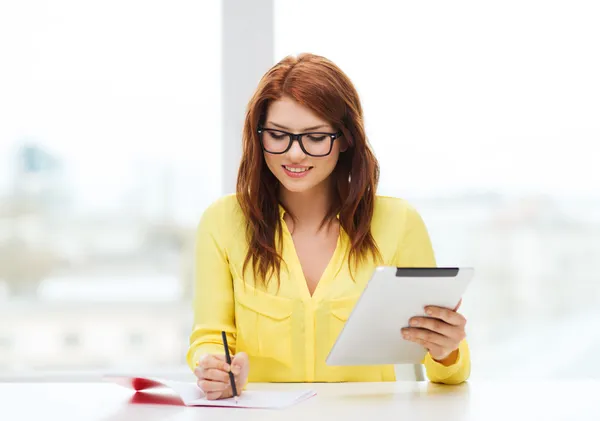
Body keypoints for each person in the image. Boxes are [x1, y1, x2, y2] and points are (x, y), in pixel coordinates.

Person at [186, 53, 470, 400]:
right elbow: (209, 338)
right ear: (258, 136)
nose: (294, 154)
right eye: (278, 135)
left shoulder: (399, 223)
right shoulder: (222, 222)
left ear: (345, 139)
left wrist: (447, 351)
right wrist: (214, 367)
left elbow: (448, 375)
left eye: (315, 137)